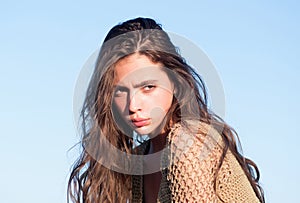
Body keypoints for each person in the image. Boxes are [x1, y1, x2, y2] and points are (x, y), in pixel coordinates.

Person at [68, 17, 265, 203]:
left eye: (148, 87)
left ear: (175, 83)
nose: (133, 106)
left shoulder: (190, 144)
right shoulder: (141, 157)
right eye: (120, 91)